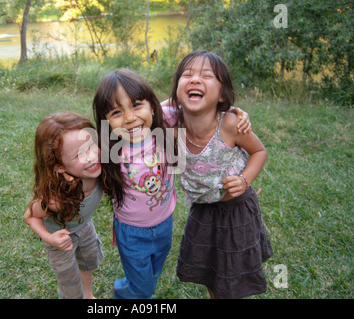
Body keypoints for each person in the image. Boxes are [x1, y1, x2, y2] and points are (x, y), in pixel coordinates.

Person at [92, 69, 251, 299]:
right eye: (117, 112)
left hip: (165, 223)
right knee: (142, 289)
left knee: (152, 275)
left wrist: (235, 112)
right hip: (131, 231)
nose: (129, 118)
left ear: (152, 106)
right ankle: (125, 294)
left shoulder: (165, 126)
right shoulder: (107, 149)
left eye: (136, 105)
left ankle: (127, 288)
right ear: (105, 120)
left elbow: (193, 103)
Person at [171, 50, 273, 299]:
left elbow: (259, 151)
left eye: (206, 76)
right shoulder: (172, 126)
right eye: (187, 75)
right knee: (211, 270)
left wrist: (244, 179)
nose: (195, 79)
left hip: (235, 209)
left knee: (233, 273)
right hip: (203, 211)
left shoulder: (230, 124)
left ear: (222, 95)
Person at [24, 111, 104, 299]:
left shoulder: (102, 172)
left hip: (85, 227)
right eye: (79, 154)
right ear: (60, 166)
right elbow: (29, 215)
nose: (92, 156)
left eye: (92, 146)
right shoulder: (57, 200)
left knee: (88, 262)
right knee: (69, 283)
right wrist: (49, 238)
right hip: (60, 239)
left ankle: (89, 295)